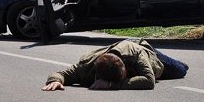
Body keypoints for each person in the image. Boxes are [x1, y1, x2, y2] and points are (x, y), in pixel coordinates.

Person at [42, 39, 188, 91]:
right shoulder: (87, 65)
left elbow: (149, 80)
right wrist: (55, 81)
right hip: (122, 50)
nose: (125, 76)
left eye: (124, 75)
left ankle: (178, 62)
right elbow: (61, 74)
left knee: (181, 70)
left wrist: (112, 86)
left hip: (144, 51)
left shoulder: (135, 55)